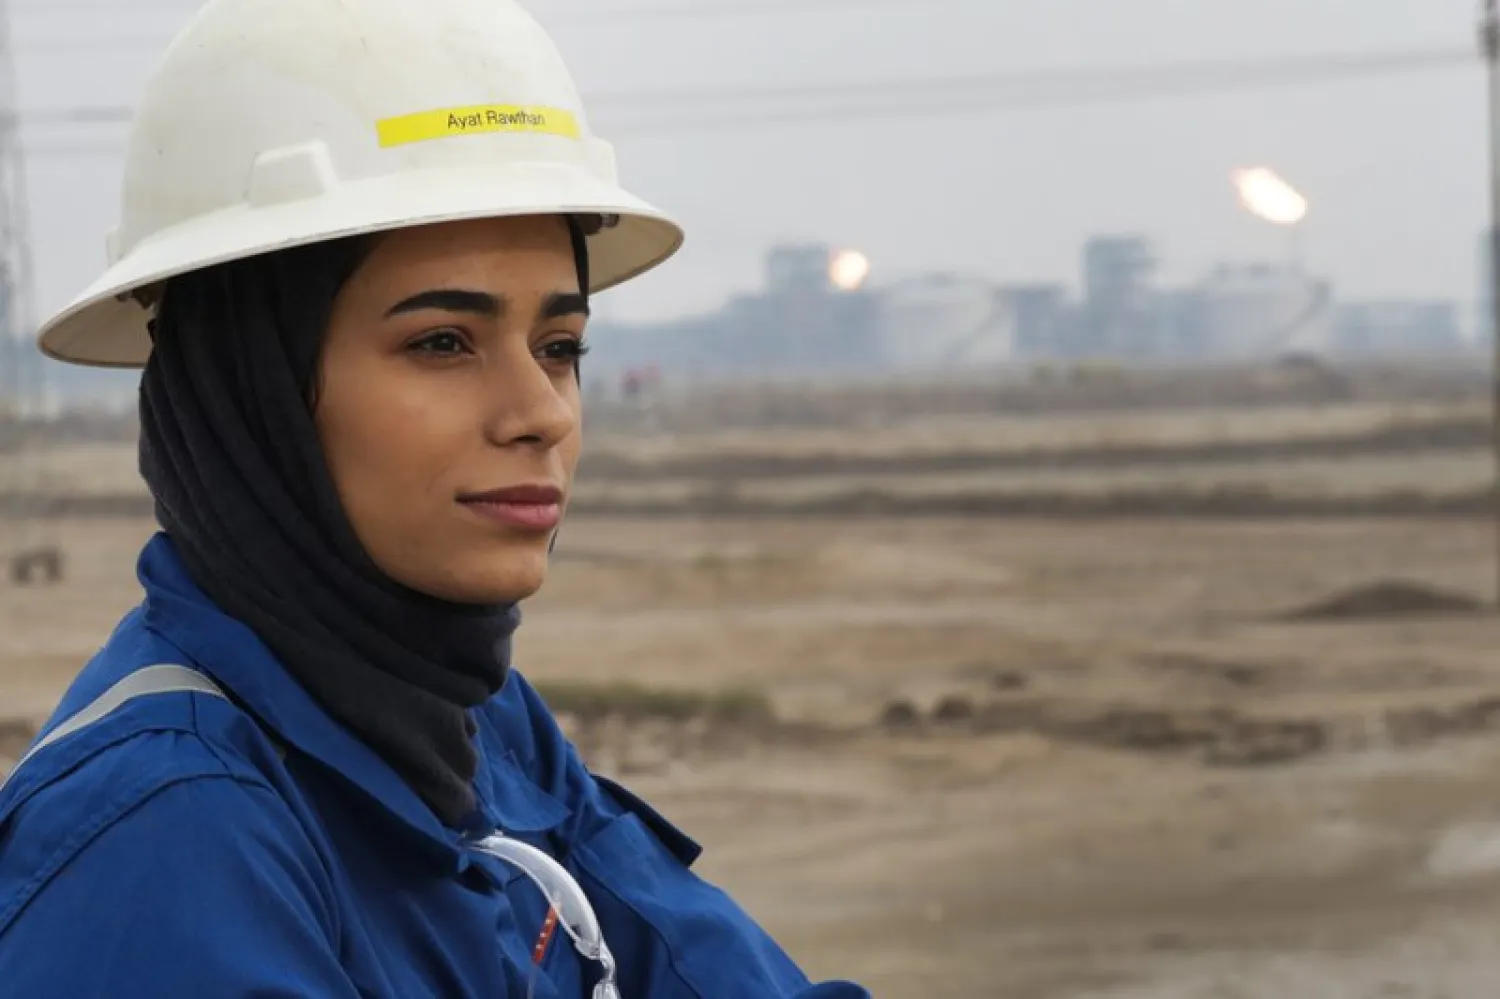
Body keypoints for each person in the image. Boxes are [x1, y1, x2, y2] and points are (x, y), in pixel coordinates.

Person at [0, 1, 871, 996]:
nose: (539, 412)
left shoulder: (473, 717)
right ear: (252, 392)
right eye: (442, 344)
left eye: (560, 348)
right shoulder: (164, 838)